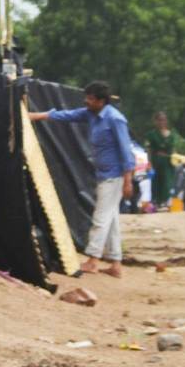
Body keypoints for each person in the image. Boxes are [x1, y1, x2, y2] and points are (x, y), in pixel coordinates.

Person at [31, 82, 132, 277]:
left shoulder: (115, 119)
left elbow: (126, 152)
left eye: (91, 98)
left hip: (114, 176)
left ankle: (93, 260)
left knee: (100, 218)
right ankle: (116, 264)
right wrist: (35, 116)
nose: (87, 101)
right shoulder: (91, 114)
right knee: (110, 220)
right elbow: (65, 116)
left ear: (101, 101)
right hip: (105, 175)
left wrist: (128, 181)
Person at [144, 113, 177, 213]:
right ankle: (156, 203)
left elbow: (173, 149)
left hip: (168, 163)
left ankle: (166, 203)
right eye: (159, 120)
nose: (162, 122)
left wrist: (175, 158)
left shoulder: (172, 135)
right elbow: (148, 149)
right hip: (156, 161)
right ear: (155, 121)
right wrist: (149, 162)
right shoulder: (151, 135)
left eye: (163, 120)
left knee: (167, 182)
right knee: (156, 182)